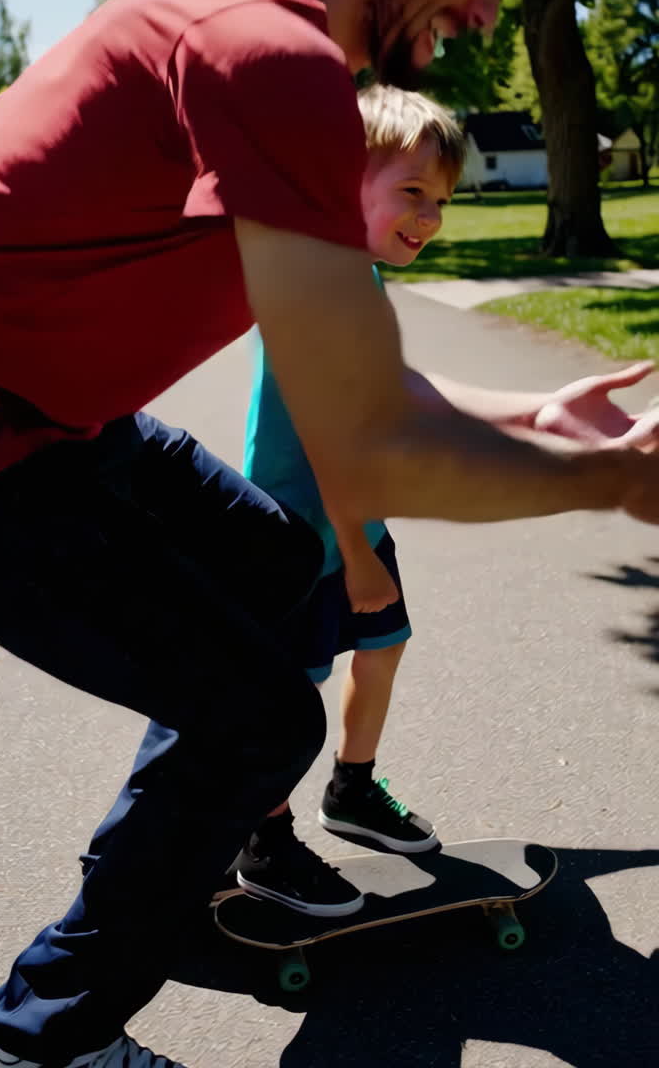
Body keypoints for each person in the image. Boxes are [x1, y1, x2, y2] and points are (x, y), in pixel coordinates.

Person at [0, 0, 658, 1065]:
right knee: (265, 715)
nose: (494, 5)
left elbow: (362, 372)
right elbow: (369, 445)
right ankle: (41, 1036)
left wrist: (541, 413)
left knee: (275, 562)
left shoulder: (295, 76)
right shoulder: (264, 52)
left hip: (63, 418)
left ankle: (204, 844)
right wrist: (609, 477)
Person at [236, 85, 464, 916]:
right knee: (287, 700)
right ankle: (262, 837)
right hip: (303, 534)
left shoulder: (352, 271)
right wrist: (358, 555)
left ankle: (352, 789)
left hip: (354, 518)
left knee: (385, 644)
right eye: (412, 192)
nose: (430, 215)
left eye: (440, 200)